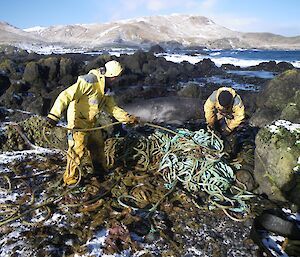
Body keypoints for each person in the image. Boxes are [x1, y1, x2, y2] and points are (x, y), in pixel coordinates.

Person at [46, 60, 138, 185]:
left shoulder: (106, 88)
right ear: (111, 75)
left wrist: (127, 118)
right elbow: (65, 95)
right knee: (77, 149)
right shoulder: (89, 82)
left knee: (98, 145)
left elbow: (112, 108)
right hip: (78, 121)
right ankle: (70, 179)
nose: (117, 80)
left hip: (92, 122)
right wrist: (53, 116)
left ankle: (99, 172)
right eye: (116, 77)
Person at [204, 86, 245, 155]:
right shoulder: (213, 97)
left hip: (231, 115)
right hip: (218, 113)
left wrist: (228, 129)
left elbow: (240, 116)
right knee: (214, 127)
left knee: (231, 135)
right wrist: (211, 123)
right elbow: (208, 109)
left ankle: (229, 151)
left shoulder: (237, 101)